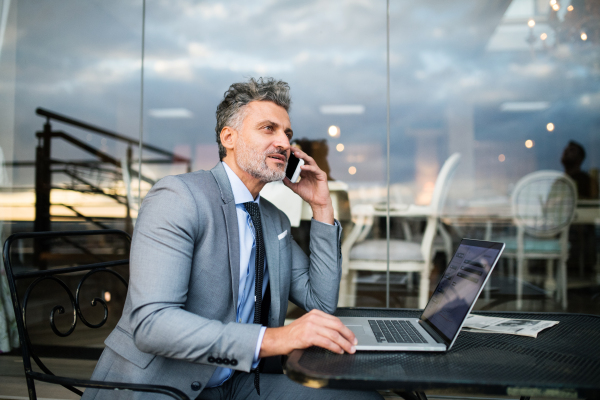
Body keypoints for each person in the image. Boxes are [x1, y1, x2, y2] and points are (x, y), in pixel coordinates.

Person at [82, 78, 382, 400]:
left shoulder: (273, 218)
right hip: (164, 386)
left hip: (239, 385)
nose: (284, 142)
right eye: (269, 129)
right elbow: (152, 324)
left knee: (361, 398)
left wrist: (321, 206)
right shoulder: (179, 198)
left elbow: (320, 303)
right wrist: (274, 339)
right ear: (229, 138)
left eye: (287, 134)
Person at [560, 140, 597, 274]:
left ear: (580, 158)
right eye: (566, 149)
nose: (566, 152)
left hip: (578, 229)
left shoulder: (586, 180)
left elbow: (593, 202)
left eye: (572, 150)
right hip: (557, 230)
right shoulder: (560, 181)